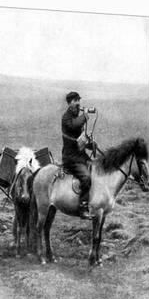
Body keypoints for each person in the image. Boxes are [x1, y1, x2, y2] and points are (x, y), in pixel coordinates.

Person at [61, 91, 93, 219]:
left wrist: (90, 143)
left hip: (80, 156)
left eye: (79, 100)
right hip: (71, 158)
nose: (78, 103)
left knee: (96, 170)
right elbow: (74, 126)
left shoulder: (75, 116)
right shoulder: (66, 118)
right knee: (86, 177)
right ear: (70, 103)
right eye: (76, 100)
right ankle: (83, 208)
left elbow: (79, 138)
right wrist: (85, 116)